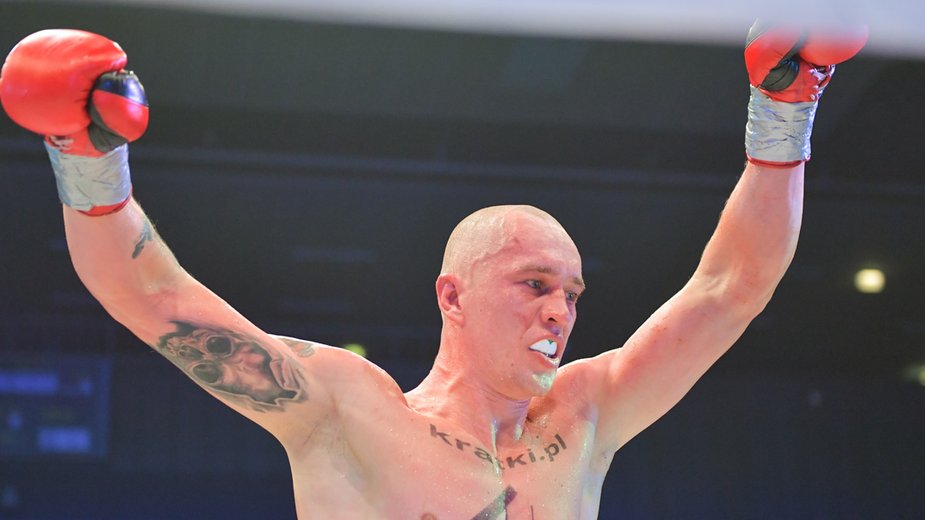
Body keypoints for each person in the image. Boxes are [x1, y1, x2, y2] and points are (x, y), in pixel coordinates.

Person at [0, 22, 865, 519]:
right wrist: (88, 156)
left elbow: (731, 287)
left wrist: (783, 107)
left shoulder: (585, 414)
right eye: (534, 284)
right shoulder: (348, 410)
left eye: (571, 294)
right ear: (453, 295)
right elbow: (150, 296)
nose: (560, 312)